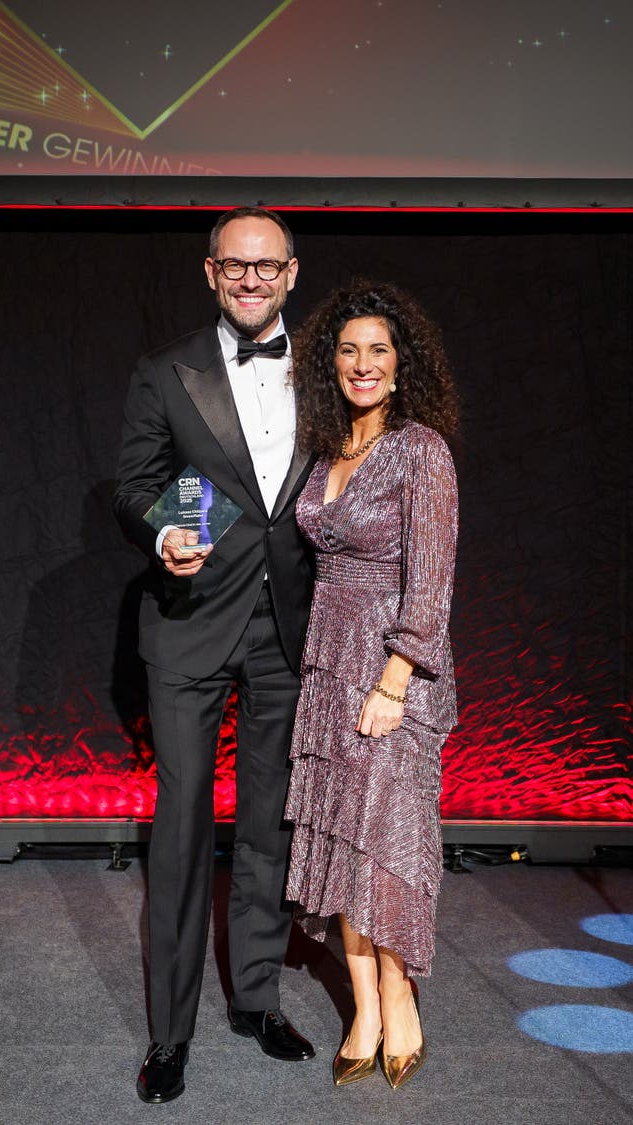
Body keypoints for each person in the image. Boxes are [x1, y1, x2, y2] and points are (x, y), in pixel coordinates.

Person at [114, 207, 316, 1105]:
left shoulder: (326, 367)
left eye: (265, 265)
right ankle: (170, 1031)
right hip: (190, 621)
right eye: (234, 265)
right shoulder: (166, 370)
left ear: (291, 273)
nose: (250, 279)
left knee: (272, 823)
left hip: (291, 628)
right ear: (210, 273)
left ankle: (258, 998)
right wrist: (165, 535)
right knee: (183, 827)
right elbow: (136, 486)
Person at [283, 280, 459, 1091]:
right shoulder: (325, 452)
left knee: (385, 843)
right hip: (327, 667)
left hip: (393, 674)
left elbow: (431, 581)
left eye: (378, 350)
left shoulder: (421, 449)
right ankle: (362, 1004)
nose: (363, 363)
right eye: (348, 350)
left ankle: (398, 993)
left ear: (401, 362)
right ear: (332, 363)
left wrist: (393, 681)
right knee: (341, 839)